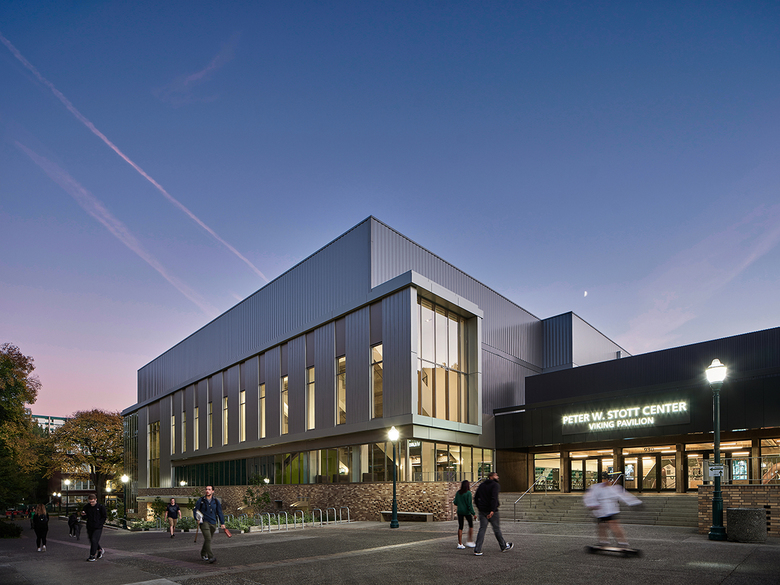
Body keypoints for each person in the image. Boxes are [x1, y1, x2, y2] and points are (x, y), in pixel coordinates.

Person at [583, 472, 642, 548]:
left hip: (611, 510)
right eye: (604, 479)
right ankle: (604, 541)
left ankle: (622, 542)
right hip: (600, 510)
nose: (605, 481)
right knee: (601, 526)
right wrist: (592, 505)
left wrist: (634, 502)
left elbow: (624, 496)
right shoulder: (595, 488)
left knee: (614, 526)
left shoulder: (614, 488)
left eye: (606, 479)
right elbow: (589, 497)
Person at [473, 471, 513, 556]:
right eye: (496, 475)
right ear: (491, 477)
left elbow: (476, 498)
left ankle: (477, 549)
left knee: (482, 529)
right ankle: (503, 546)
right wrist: (492, 510)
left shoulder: (482, 485)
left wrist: (480, 507)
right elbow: (494, 498)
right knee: (496, 529)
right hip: (492, 511)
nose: (497, 477)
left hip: (482, 510)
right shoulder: (495, 485)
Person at [193, 485, 225, 564]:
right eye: (206, 489)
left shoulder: (216, 501)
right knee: (208, 538)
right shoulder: (201, 500)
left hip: (213, 522)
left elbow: (219, 512)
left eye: (209, 489)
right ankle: (211, 556)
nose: (207, 491)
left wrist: (222, 523)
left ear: (213, 491)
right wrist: (196, 518)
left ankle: (203, 553)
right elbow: (195, 510)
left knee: (208, 539)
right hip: (204, 522)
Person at [81, 494, 107, 561]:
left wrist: (100, 523)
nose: (91, 503)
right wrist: (83, 515)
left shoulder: (101, 507)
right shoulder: (87, 507)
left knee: (94, 540)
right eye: (90, 502)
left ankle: (92, 555)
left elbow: (104, 516)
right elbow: (84, 517)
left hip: (98, 527)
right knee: (92, 540)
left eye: (92, 502)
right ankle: (100, 549)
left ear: (96, 500)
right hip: (90, 526)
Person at [453, 480, 476, 549]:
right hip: (467, 512)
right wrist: (473, 513)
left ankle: (460, 543)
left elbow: (455, 502)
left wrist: (460, 504)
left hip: (460, 511)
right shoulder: (468, 493)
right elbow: (469, 505)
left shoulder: (458, 493)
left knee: (460, 526)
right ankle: (470, 541)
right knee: (471, 525)